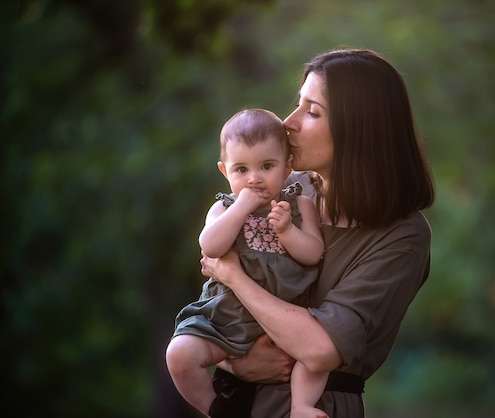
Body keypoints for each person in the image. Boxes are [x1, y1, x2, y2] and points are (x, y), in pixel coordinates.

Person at [200, 49, 435, 417]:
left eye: (311, 112)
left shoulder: (401, 236)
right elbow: (215, 308)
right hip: (239, 403)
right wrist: (235, 362)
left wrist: (231, 273)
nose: (288, 123)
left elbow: (320, 348)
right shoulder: (283, 192)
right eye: (298, 105)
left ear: (357, 129)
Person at [165, 109, 326, 417]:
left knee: (316, 354)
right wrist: (241, 208)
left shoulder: (299, 205)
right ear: (225, 171)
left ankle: (301, 406)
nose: (254, 179)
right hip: (224, 320)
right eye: (241, 169)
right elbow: (210, 246)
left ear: (288, 167)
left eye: (267, 166)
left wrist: (287, 231)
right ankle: (220, 409)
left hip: (283, 318)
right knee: (179, 353)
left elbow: (313, 253)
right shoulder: (223, 208)